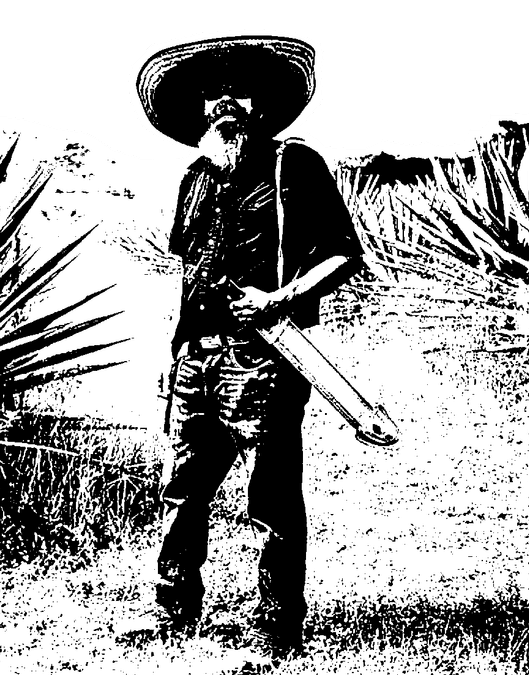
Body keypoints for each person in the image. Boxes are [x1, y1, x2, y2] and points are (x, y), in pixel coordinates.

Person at [126, 30, 366, 664]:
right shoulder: (195, 178)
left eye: (239, 92)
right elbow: (188, 272)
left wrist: (280, 299)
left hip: (266, 357)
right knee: (183, 487)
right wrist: (175, 353)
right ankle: (172, 612)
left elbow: (344, 254)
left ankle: (276, 628)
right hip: (196, 357)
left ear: (263, 104)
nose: (224, 103)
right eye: (212, 95)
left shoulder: (295, 165)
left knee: (272, 496)